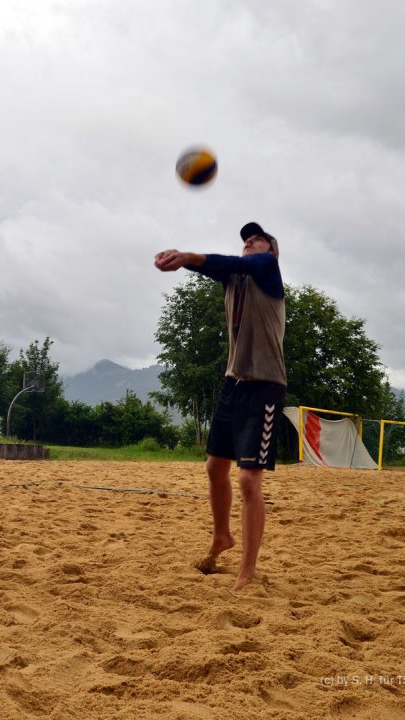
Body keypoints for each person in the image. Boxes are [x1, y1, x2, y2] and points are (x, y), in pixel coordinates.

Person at [154, 222, 286, 591]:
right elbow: (217, 267)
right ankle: (221, 537)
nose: (249, 243)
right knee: (215, 468)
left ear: (272, 251)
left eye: (257, 239)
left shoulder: (267, 270)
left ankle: (247, 569)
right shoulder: (234, 279)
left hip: (265, 386)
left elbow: (232, 263)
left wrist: (190, 257)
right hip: (234, 383)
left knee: (248, 479)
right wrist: (182, 260)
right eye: (245, 240)